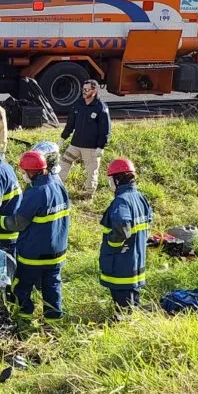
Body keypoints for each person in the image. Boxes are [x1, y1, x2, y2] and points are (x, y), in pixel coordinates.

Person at [0, 151, 71, 321]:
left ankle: (23, 321)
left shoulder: (36, 192)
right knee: (52, 287)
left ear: (31, 172)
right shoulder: (59, 186)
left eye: (24, 171)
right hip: (57, 252)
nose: (23, 175)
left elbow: (17, 223)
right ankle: (54, 323)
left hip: (33, 255)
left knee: (21, 287)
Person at [99, 158, 153, 315]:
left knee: (123, 309)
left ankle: (123, 330)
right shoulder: (140, 197)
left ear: (117, 179)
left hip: (121, 264)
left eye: (111, 179)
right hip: (136, 261)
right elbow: (148, 222)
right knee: (133, 303)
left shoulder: (121, 201)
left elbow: (122, 227)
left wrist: (113, 246)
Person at [57, 79, 111, 199]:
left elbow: (105, 130)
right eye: (83, 89)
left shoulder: (100, 108)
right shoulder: (78, 104)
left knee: (92, 171)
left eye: (87, 90)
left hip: (91, 148)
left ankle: (89, 194)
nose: (84, 92)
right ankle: (57, 186)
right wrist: (63, 138)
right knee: (63, 164)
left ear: (94, 91)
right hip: (75, 144)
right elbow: (70, 124)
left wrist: (101, 146)